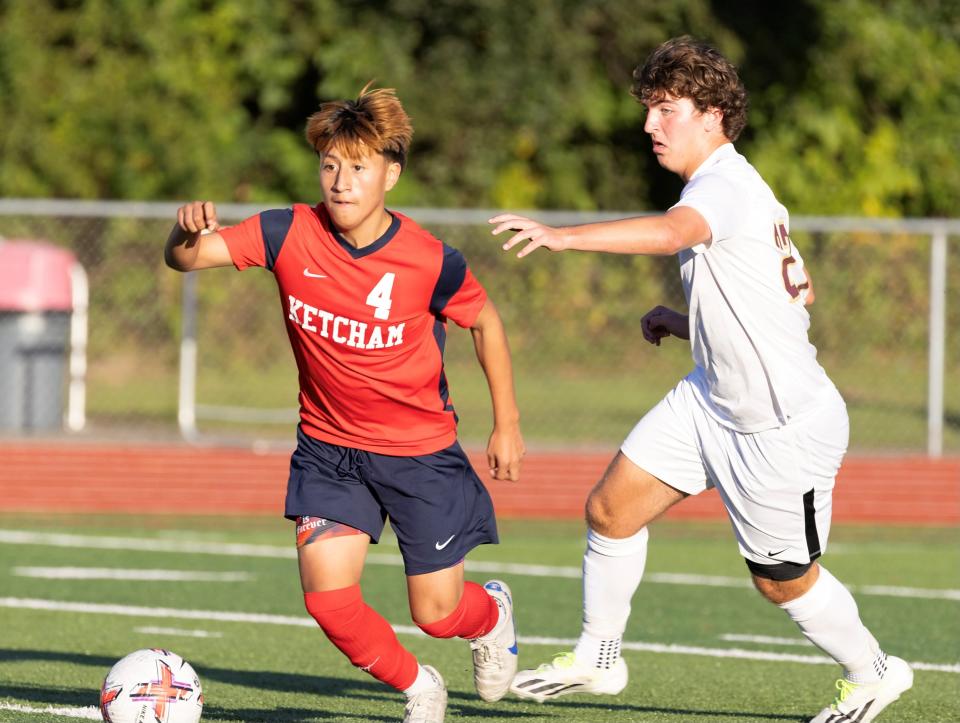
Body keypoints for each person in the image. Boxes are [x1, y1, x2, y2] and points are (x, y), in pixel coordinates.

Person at [491, 36, 912, 723]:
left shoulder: (721, 186)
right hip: (710, 399)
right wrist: (686, 321)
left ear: (711, 114)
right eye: (649, 109)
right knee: (610, 509)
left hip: (778, 428)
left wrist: (564, 236)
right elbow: (780, 299)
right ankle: (599, 656)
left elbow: (670, 234)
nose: (650, 125)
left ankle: (873, 672)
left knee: (781, 583)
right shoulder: (733, 187)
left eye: (666, 109)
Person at [165, 85, 525, 723]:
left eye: (358, 167)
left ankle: (491, 615)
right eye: (330, 164)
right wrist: (183, 230)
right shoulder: (286, 232)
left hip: (420, 457)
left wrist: (507, 424)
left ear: (392, 172)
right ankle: (420, 688)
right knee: (329, 601)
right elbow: (188, 259)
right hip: (329, 451)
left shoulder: (431, 260)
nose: (341, 181)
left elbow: (486, 322)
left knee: (436, 614)